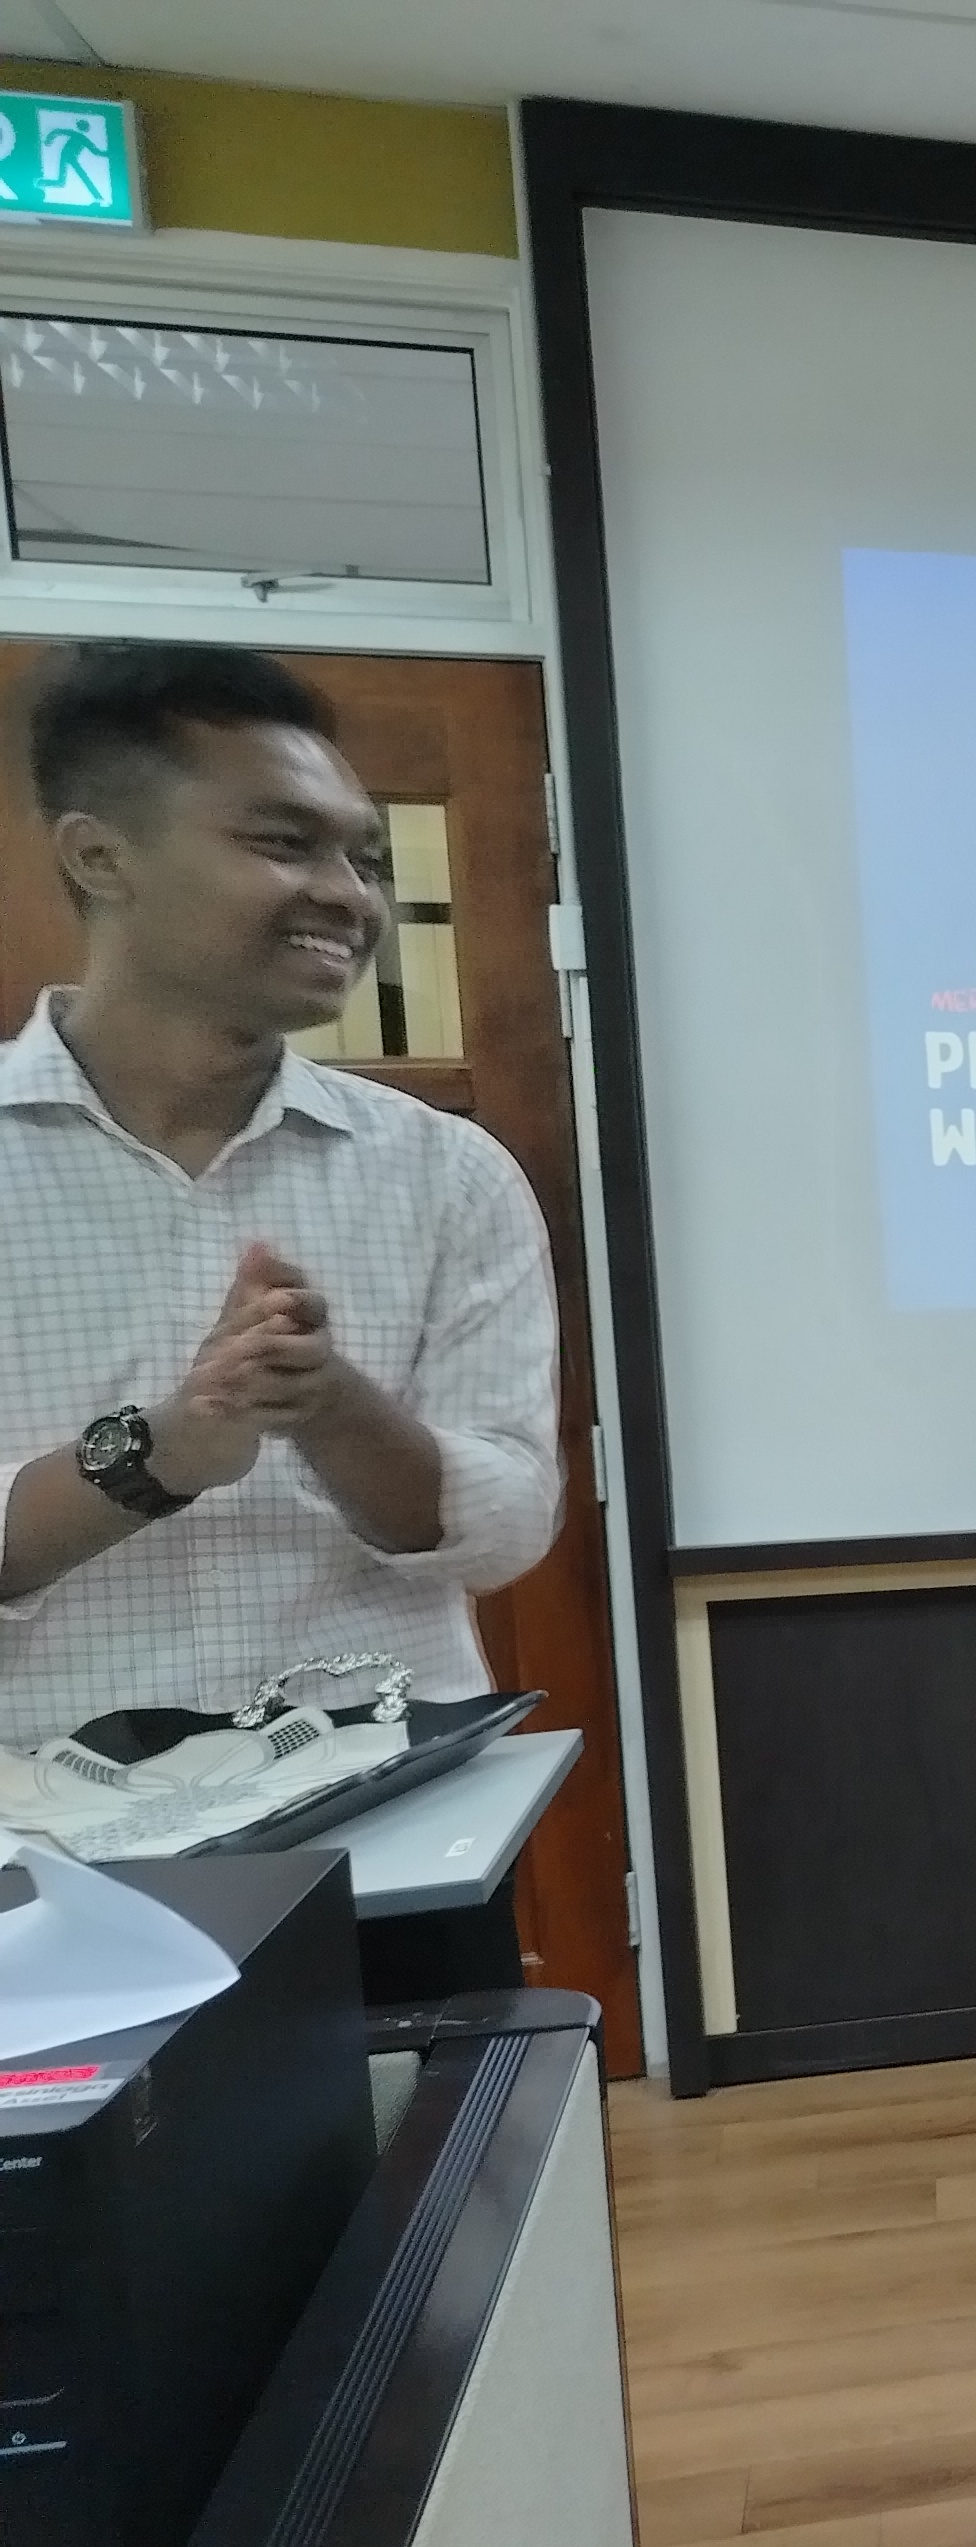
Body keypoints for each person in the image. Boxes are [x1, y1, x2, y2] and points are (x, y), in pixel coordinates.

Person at [0, 644, 562, 1749]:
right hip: (48, 1823)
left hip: (384, 1800)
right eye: (284, 844)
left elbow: (504, 1532)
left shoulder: (448, 1171)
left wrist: (330, 1404)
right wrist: (155, 1456)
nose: (349, 896)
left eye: (364, 858)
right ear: (101, 856)